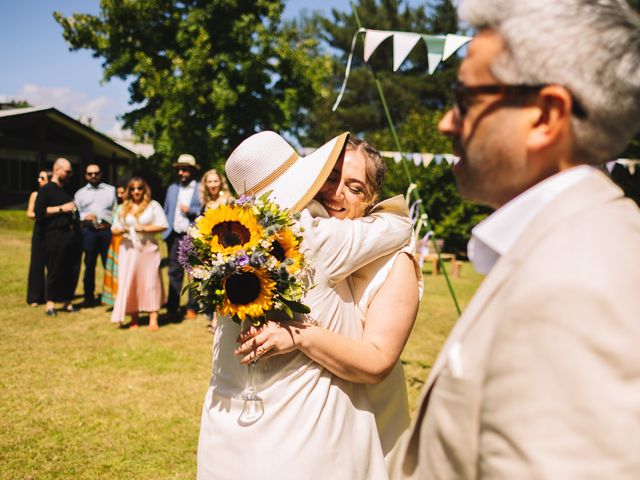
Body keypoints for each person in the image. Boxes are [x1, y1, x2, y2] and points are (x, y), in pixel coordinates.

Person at [390, 1, 640, 479]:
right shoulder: (568, 245)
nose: (445, 122)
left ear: (545, 116)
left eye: (465, 99)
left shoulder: (575, 283)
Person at [197, 131, 414, 479]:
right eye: (329, 178)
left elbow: (377, 361)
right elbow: (400, 224)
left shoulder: (223, 249)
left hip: (232, 426)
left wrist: (300, 335)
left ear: (372, 198)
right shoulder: (311, 234)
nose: (336, 193)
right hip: (291, 431)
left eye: (355, 187)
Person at [111, 178, 168, 331]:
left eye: (139, 188)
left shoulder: (153, 205)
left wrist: (144, 228)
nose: (136, 191)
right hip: (128, 250)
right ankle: (133, 317)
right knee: (130, 281)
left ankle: (153, 317)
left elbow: (163, 225)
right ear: (129, 191)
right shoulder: (123, 208)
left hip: (148, 249)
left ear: (144, 190)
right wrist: (122, 230)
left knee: (151, 282)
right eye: (133, 189)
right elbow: (114, 228)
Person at [34, 158, 82, 316]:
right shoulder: (46, 189)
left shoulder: (67, 190)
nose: (70, 174)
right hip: (54, 235)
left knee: (70, 269)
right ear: (57, 169)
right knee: (55, 268)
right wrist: (61, 208)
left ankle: (67, 301)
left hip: (71, 235)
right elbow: (39, 212)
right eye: (67, 171)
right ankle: (50, 304)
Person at [162, 154, 201, 320]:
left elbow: (204, 210)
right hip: (174, 236)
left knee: (193, 272)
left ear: (192, 171)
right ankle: (172, 307)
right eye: (179, 169)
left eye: (185, 169)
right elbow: (166, 210)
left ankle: (192, 306)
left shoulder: (200, 188)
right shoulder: (172, 188)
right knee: (174, 272)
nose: (181, 173)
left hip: (192, 235)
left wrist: (191, 211)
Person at [74, 163, 116, 306]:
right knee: (89, 264)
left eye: (96, 173)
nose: (93, 176)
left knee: (109, 264)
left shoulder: (111, 191)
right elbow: (76, 214)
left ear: (101, 174)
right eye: (90, 174)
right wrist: (84, 217)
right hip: (89, 232)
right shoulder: (80, 194)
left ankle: (112, 295)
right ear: (86, 175)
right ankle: (88, 296)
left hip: (106, 231)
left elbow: (116, 210)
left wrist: (110, 223)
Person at [198, 168, 232, 331]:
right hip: (211, 245)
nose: (212, 184)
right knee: (214, 281)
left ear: (221, 182)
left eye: (215, 181)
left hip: (226, 245)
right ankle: (215, 317)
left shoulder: (226, 199)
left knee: (223, 279)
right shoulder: (207, 201)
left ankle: (218, 319)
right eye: (209, 181)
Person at [26, 169, 53, 306]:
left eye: (42, 178)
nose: (39, 180)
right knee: (36, 263)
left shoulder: (53, 195)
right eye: (39, 177)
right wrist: (42, 213)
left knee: (52, 264)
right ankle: (35, 297)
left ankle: (51, 295)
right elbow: (29, 213)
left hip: (52, 231)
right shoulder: (35, 195)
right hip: (39, 230)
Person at [102, 179, 127, 307]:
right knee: (115, 271)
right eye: (118, 193)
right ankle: (116, 298)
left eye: (122, 192)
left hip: (125, 241)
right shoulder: (117, 207)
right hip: (116, 242)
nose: (120, 195)